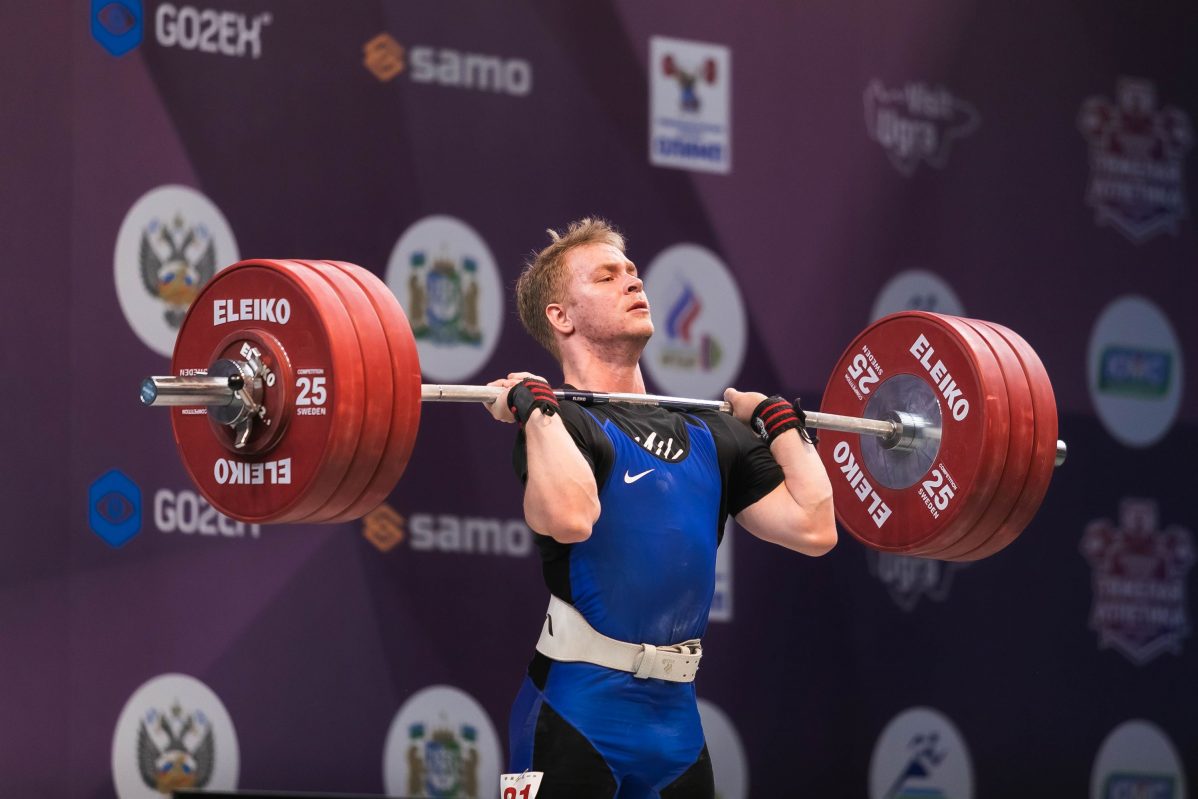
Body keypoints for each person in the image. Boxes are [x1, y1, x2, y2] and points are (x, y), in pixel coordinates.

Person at [486, 218, 836, 799]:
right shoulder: (562, 424)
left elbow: (815, 527)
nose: (633, 281)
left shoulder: (712, 433)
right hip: (574, 711)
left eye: (632, 271)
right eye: (606, 276)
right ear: (561, 317)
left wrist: (781, 427)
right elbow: (570, 519)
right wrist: (539, 414)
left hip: (676, 724)